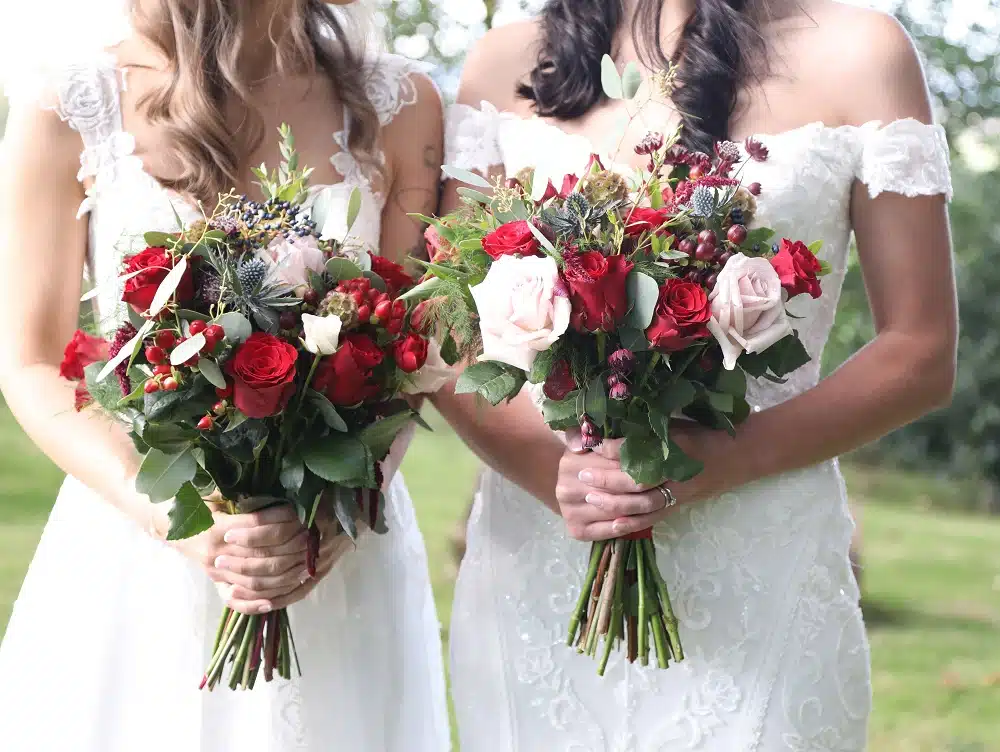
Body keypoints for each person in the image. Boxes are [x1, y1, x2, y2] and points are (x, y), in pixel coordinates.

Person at [436, 0, 956, 748]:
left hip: (762, 551)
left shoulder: (863, 51)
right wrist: (564, 475)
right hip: (544, 558)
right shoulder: (502, 62)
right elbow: (450, 329)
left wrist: (727, 458)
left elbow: (921, 349)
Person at [0, 1, 450, 749]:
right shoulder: (68, 104)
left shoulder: (399, 103)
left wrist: (350, 500)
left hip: (338, 555)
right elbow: (31, 363)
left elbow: (411, 351)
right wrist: (187, 525)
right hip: (140, 544)